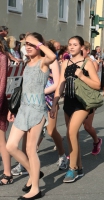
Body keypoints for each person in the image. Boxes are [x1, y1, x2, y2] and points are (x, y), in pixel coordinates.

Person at [6, 32, 56, 199]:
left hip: (36, 109)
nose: (28, 46)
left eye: (32, 44)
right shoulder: (26, 63)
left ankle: (35, 188)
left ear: (39, 46)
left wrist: (39, 43)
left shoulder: (43, 62)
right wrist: (12, 109)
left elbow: (53, 56)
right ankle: (33, 172)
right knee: (11, 146)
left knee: (30, 149)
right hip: (23, 108)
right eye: (26, 44)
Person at [50, 36, 100, 183]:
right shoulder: (65, 62)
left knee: (70, 132)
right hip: (69, 102)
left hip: (82, 102)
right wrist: (54, 103)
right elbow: (61, 84)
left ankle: (72, 169)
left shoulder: (87, 63)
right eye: (70, 44)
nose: (71, 47)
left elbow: (97, 85)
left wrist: (82, 76)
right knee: (74, 136)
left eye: (75, 44)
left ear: (81, 47)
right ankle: (79, 168)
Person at [82, 41, 102, 155]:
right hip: (77, 96)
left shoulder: (92, 63)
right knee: (72, 127)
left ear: (87, 50)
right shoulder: (75, 61)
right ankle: (73, 151)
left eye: (82, 50)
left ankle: (96, 140)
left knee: (87, 126)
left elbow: (95, 82)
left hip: (89, 96)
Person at [0, 40, 13, 186]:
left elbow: (2, 83)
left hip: (0, 102)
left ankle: (8, 173)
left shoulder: (2, 57)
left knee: (1, 140)